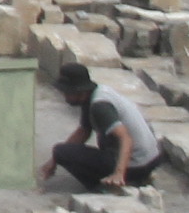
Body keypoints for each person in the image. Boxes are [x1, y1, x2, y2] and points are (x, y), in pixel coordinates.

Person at [46, 62, 162, 193]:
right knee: (61, 152)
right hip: (152, 159)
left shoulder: (100, 106)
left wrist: (119, 174)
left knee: (62, 152)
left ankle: (109, 187)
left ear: (79, 91)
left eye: (67, 92)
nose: (65, 97)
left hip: (137, 163)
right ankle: (136, 178)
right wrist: (53, 161)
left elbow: (126, 138)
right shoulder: (95, 94)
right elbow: (83, 131)